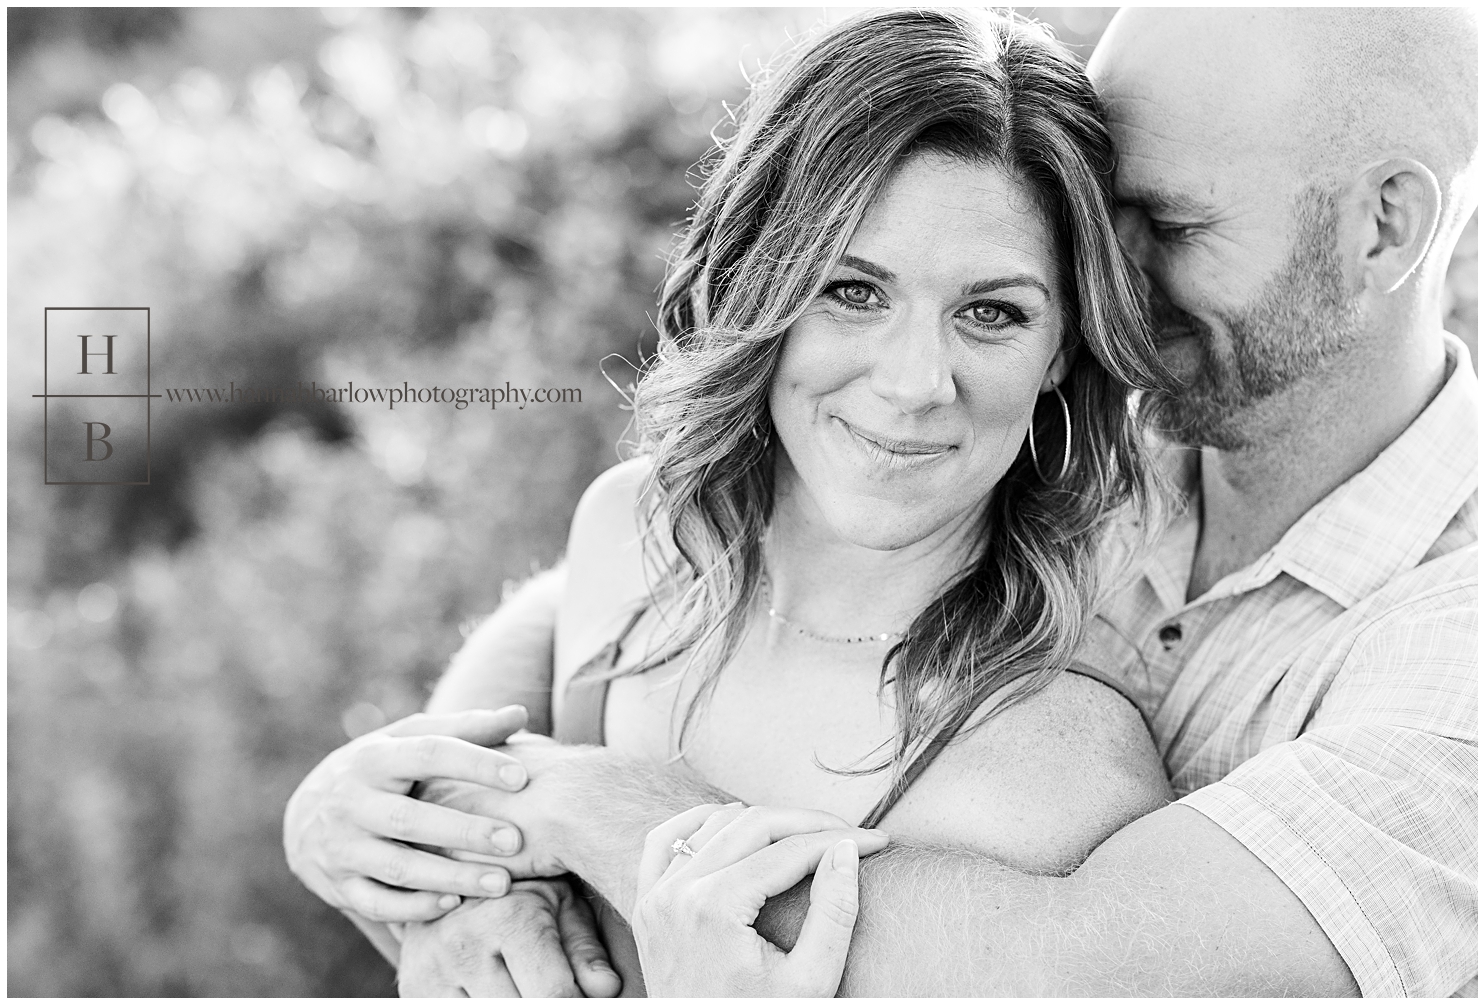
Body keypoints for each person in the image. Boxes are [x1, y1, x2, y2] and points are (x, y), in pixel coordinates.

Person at [283, 7, 1190, 996]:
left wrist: (602, 805)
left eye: (991, 313)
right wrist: (397, 850)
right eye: (853, 291)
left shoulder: (1055, 777)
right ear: (762, 282)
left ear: (1061, 349)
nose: (916, 382)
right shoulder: (636, 541)